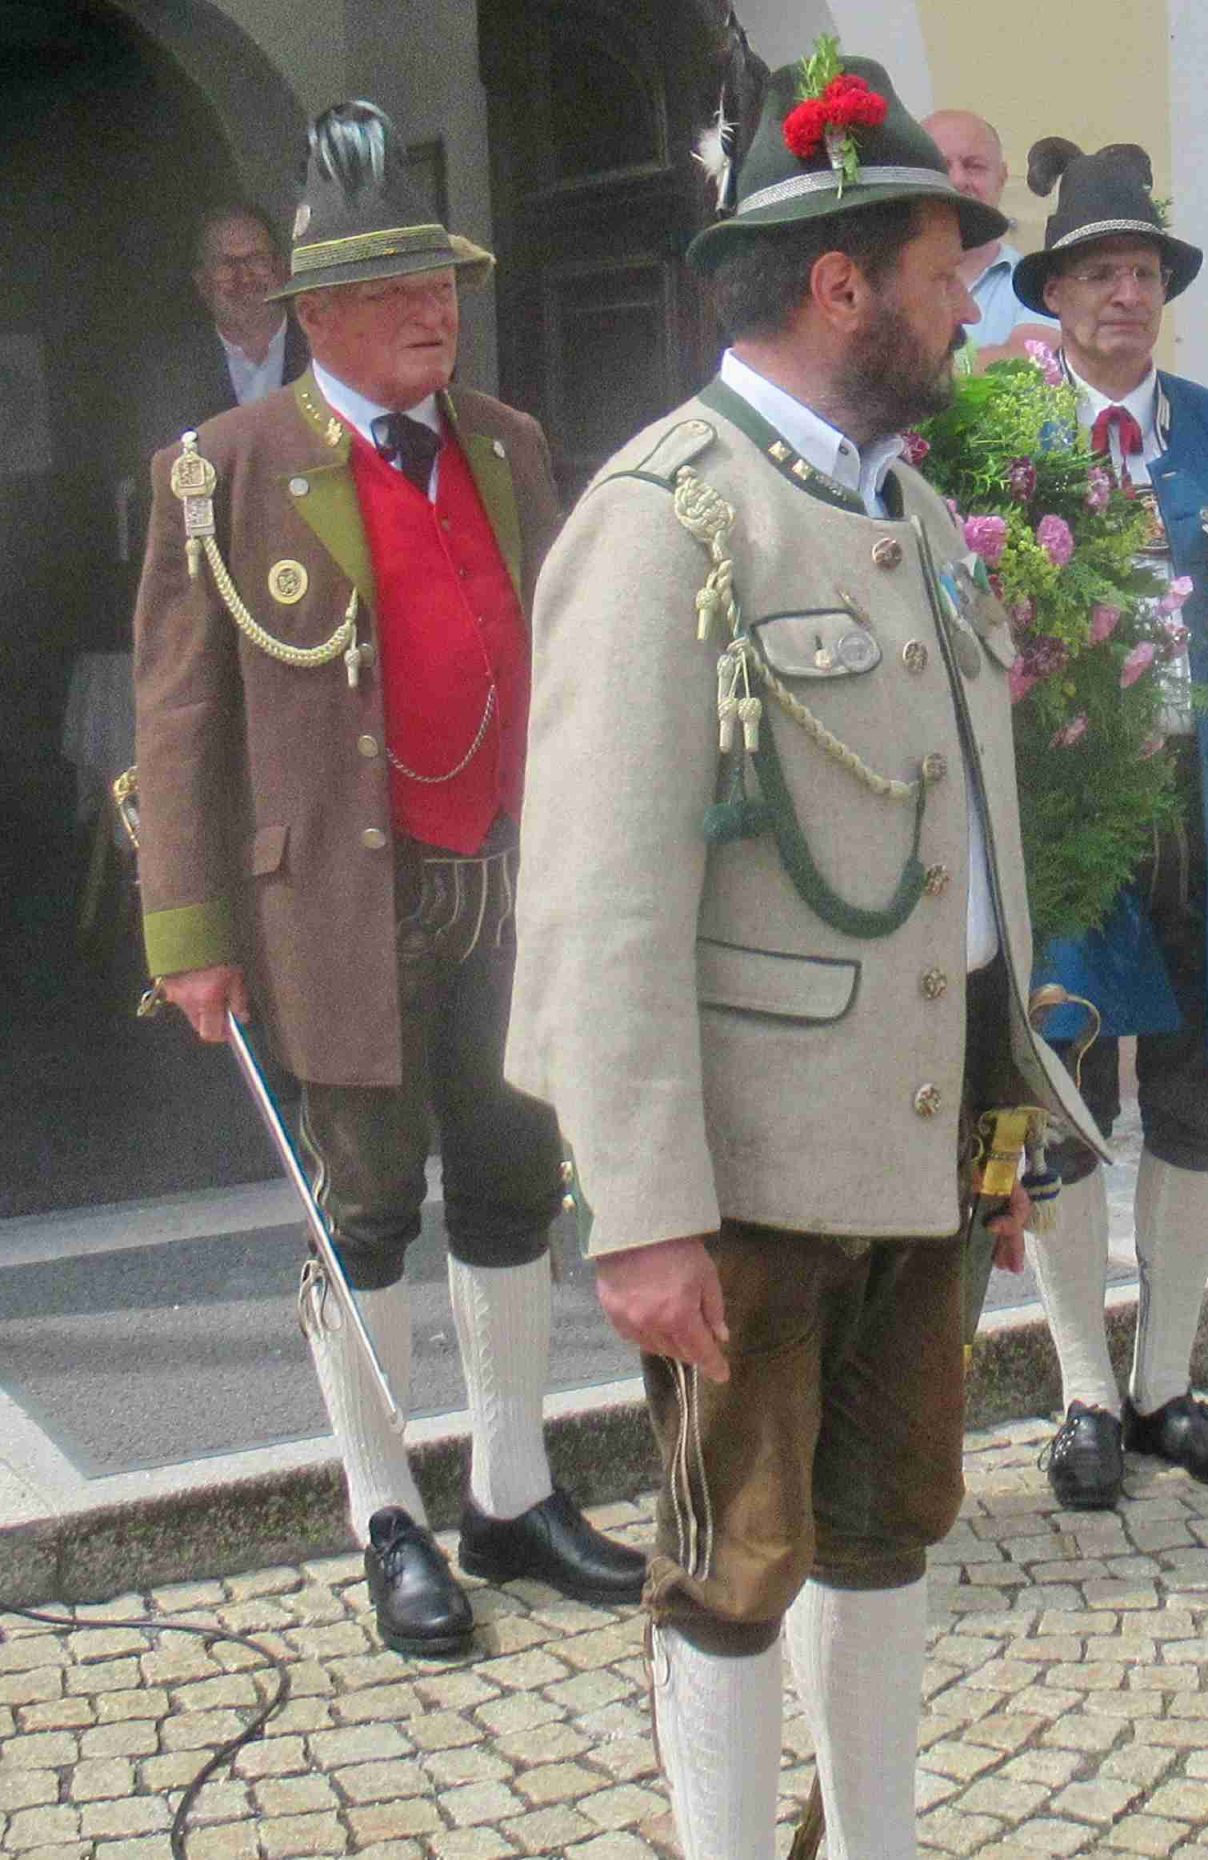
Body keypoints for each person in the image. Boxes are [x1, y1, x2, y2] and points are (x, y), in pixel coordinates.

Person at [504, 49, 1101, 1860]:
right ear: (841, 286)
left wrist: (999, 1119)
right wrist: (640, 1207)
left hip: (916, 1142)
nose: (969, 307)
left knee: (888, 1524)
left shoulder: (902, 512)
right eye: (943, 273)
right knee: (736, 1558)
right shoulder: (666, 517)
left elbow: (962, 861)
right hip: (750, 1173)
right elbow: (597, 902)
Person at [129, 102, 643, 1659]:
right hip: (339, 908)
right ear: (319, 314)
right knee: (359, 1208)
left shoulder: (506, 442)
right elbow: (179, 721)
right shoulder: (221, 472)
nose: (438, 311)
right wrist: (190, 935)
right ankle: (385, 1516)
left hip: (507, 884)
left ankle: (510, 1488)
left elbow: (563, 658)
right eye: (401, 290)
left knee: (509, 1183)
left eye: (445, 286)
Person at [1013, 138, 1208, 1515]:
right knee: (1066, 1104)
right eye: (1098, 274)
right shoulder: (1001, 444)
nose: (1124, 297)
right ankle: (1085, 1389)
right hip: (1067, 824)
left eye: (1142, 273)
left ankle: (1166, 1385)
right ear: (1055, 294)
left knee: (1200, 1098)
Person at [133, 202, 310, 447]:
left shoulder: (324, 349)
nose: (244, 277)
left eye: (257, 260)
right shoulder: (171, 379)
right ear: (202, 282)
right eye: (226, 265)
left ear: (282, 269)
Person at [922, 107, 1057, 363]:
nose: (958, 180)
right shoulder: (887, 279)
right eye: (941, 167)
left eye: (974, 166)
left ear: (1002, 178)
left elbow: (1028, 365)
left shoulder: (1037, 287)